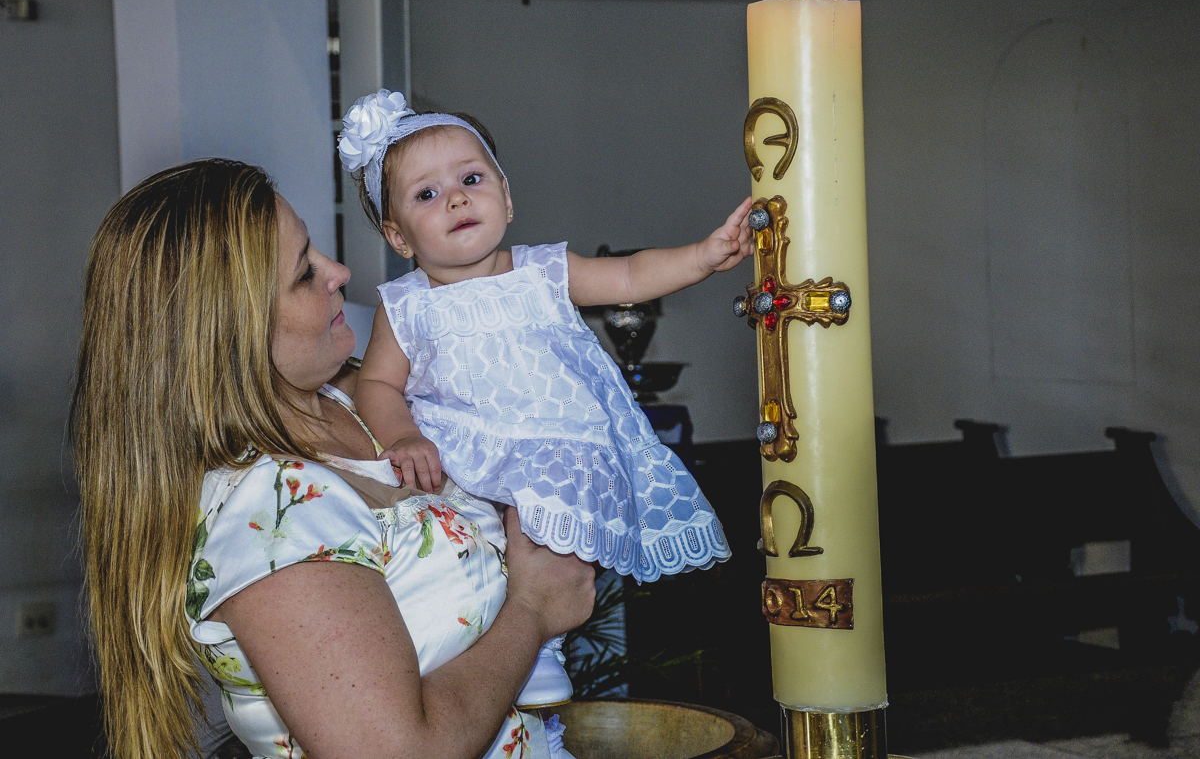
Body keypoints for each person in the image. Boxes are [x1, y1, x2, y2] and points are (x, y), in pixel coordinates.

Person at [72, 159, 595, 759]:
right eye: (303, 273)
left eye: (315, 249)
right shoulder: (270, 505)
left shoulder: (362, 392)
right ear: (228, 332)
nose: (340, 272)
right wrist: (533, 610)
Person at [337, 90, 751, 705]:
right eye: (426, 194)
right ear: (399, 237)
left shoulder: (541, 271)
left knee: (552, 550)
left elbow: (631, 276)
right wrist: (402, 435)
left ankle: (545, 650)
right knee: (486, 558)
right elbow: (375, 384)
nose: (454, 197)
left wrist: (704, 256)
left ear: (505, 195)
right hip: (466, 449)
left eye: (471, 179)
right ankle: (509, 651)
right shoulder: (407, 307)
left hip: (558, 444)